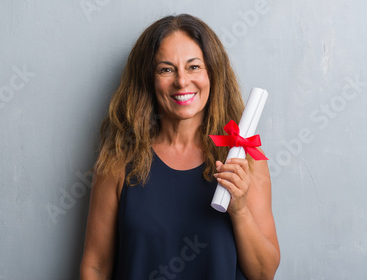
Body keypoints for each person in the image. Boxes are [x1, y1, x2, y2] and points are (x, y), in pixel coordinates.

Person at [80, 14, 280, 280]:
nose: (182, 81)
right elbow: (96, 266)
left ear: (213, 72)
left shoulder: (245, 158)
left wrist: (240, 209)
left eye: (194, 66)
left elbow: (264, 274)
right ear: (148, 79)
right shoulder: (119, 160)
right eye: (166, 69)